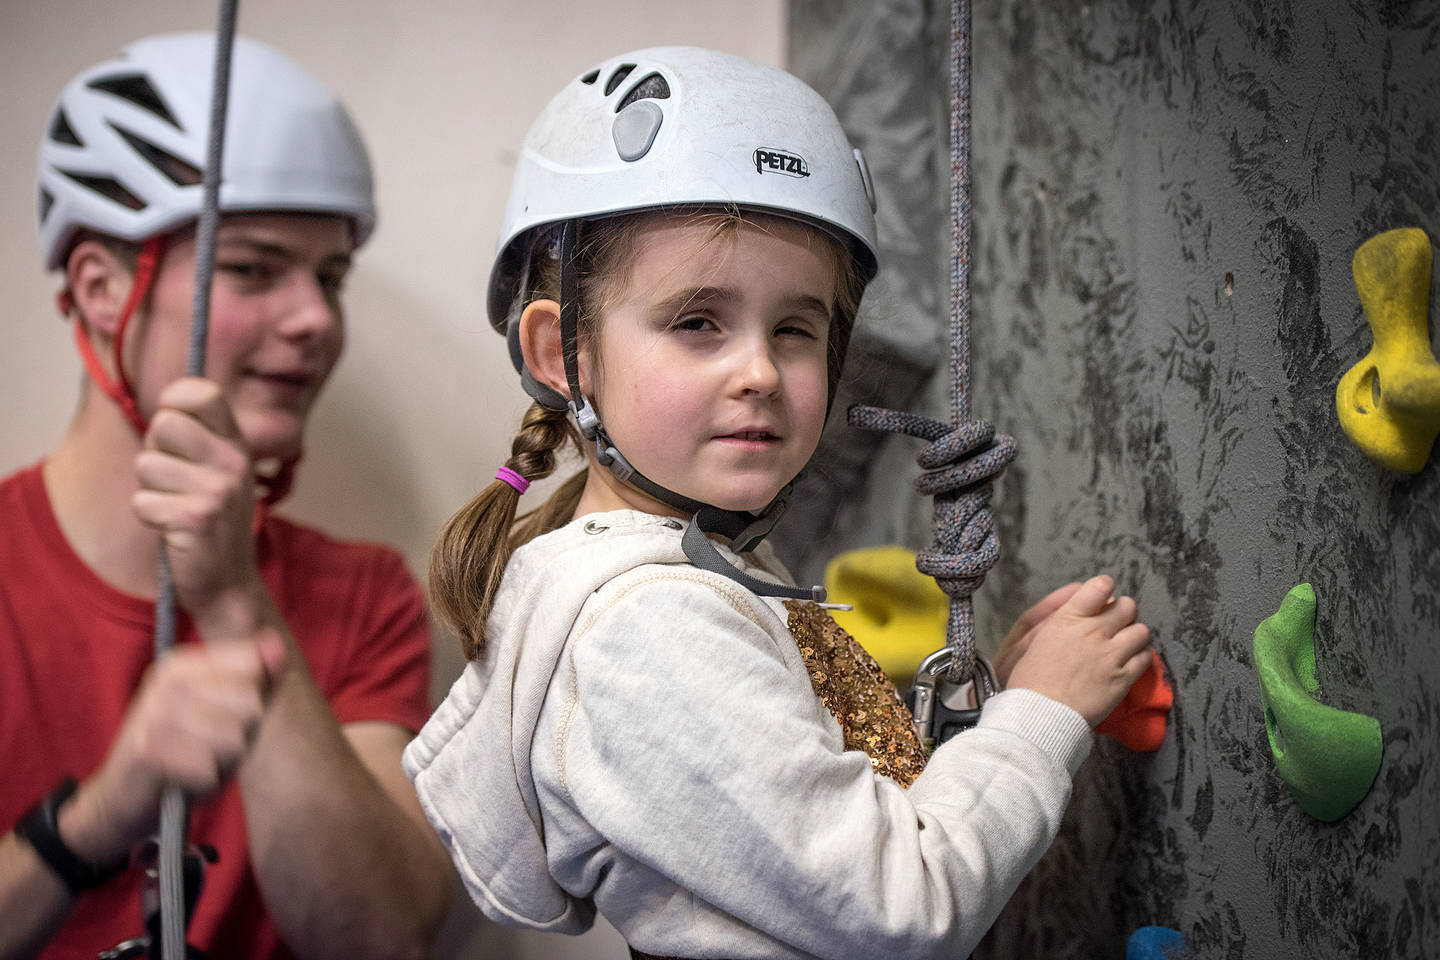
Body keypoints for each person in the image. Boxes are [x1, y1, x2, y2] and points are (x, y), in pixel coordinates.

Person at [404, 46, 1154, 959]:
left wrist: (992, 714)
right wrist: (1045, 714)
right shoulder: (647, 626)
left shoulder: (693, 567)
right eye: (696, 322)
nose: (759, 371)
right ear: (566, 356)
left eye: (796, 328)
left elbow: (825, 821)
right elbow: (903, 906)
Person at [0, 33, 450, 959]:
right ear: (99, 288)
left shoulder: (365, 597)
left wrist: (233, 600)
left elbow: (378, 940)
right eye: (253, 268)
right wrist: (92, 821)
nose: (316, 320)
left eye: (331, 277)